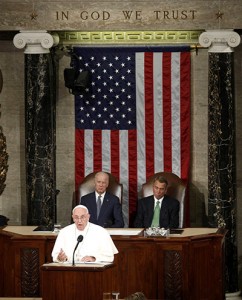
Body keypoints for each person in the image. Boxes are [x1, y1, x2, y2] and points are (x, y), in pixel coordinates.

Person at [51, 205, 118, 263]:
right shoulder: (64, 232)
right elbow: (55, 255)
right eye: (76, 217)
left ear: (88, 217)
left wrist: (93, 258)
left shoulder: (101, 232)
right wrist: (60, 258)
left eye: (82, 217)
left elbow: (109, 257)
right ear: (73, 218)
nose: (79, 221)